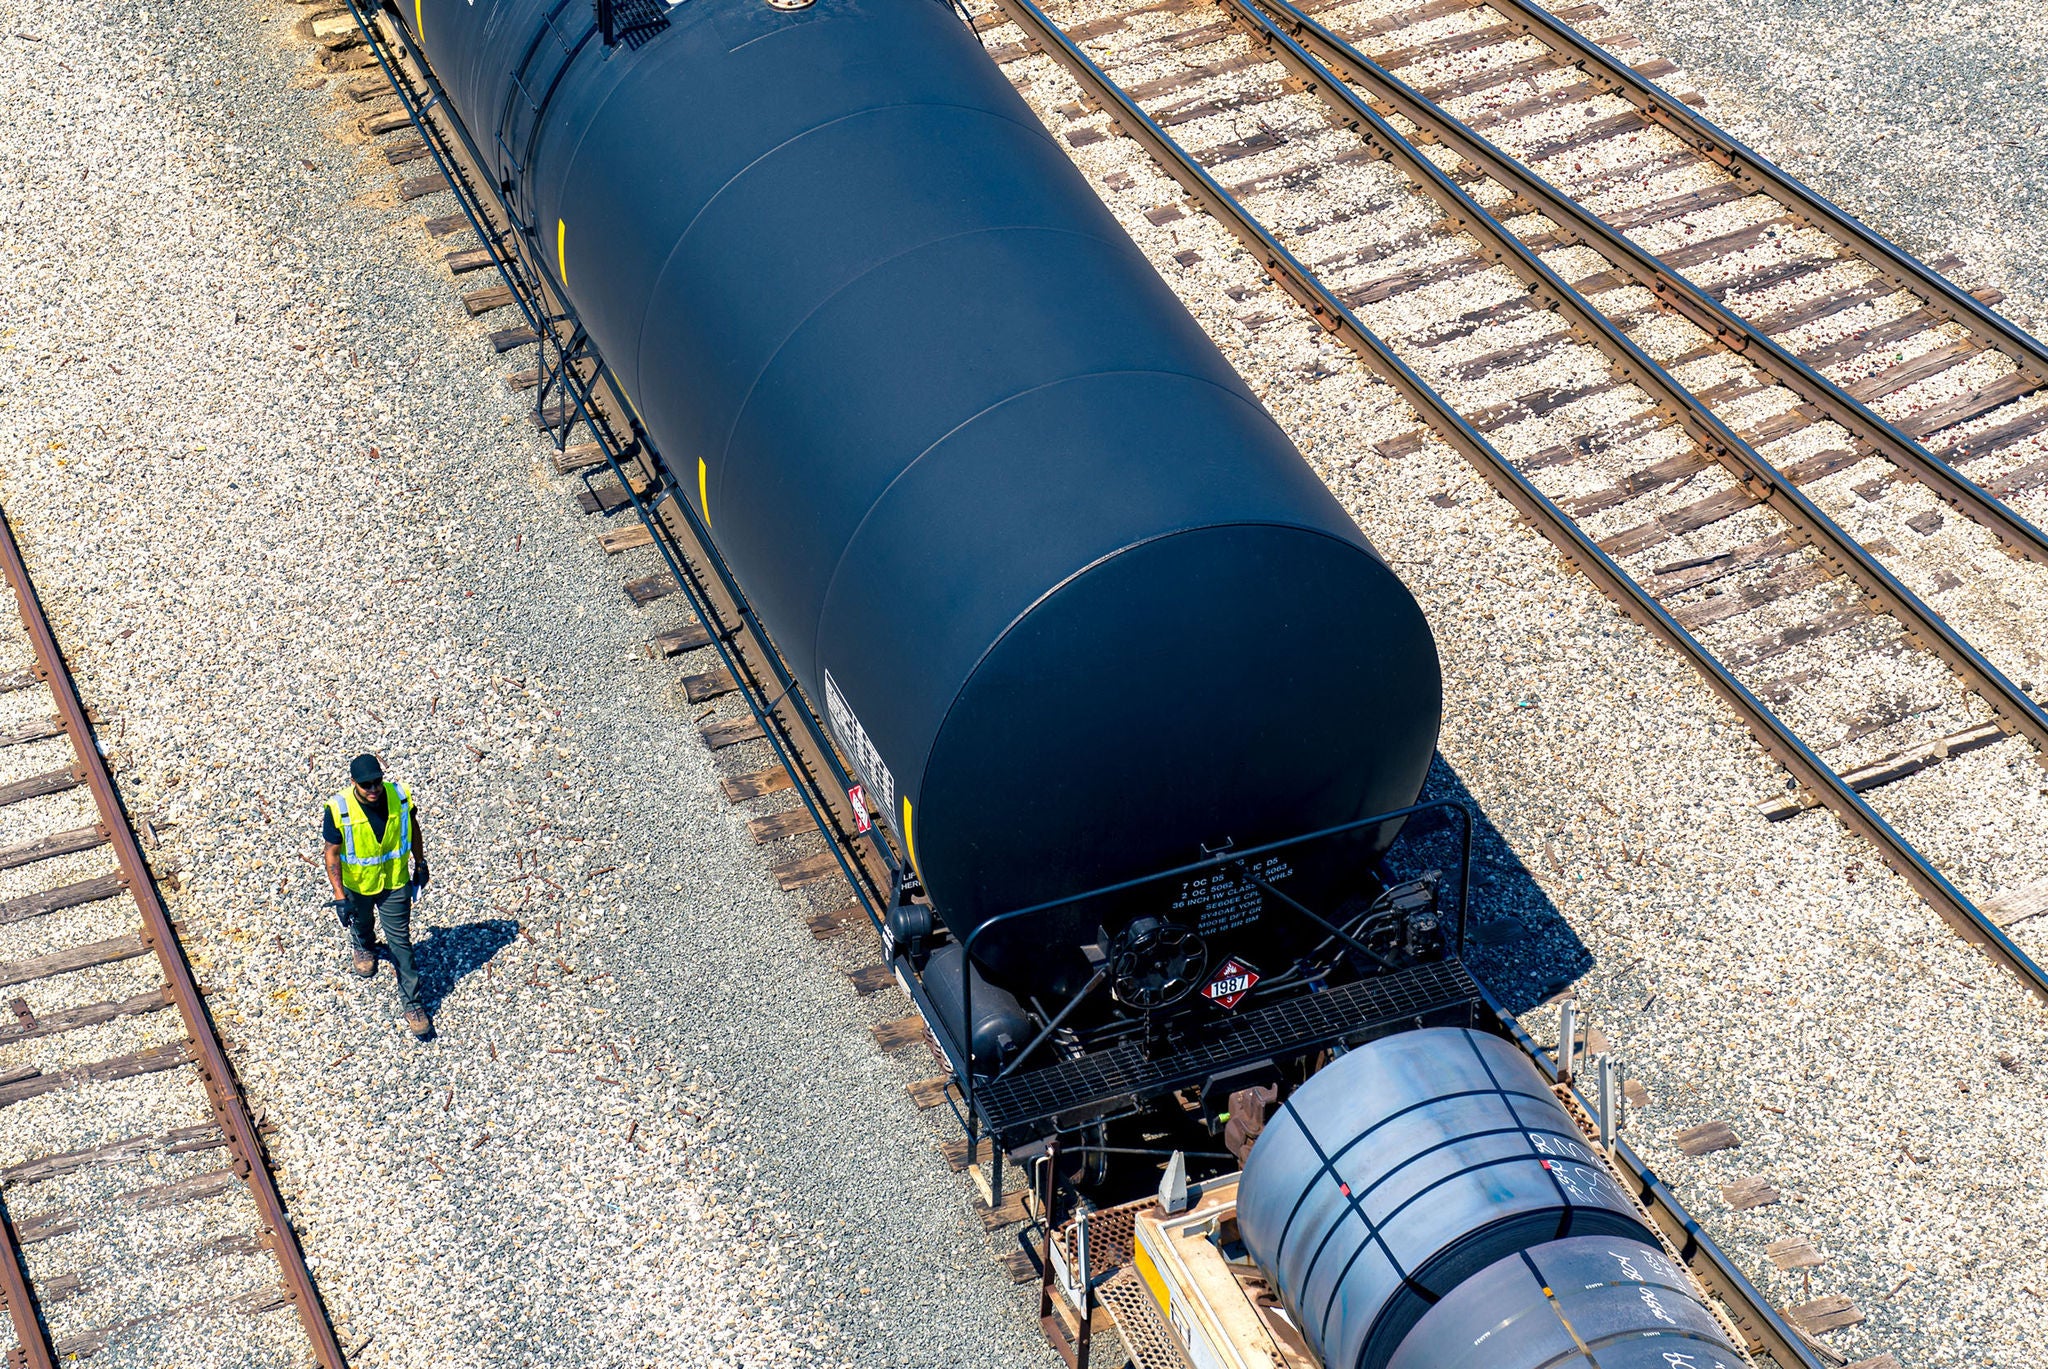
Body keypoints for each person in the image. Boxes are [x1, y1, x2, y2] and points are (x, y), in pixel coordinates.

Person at [323, 753, 433, 1039]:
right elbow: (332, 853)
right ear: (353, 783)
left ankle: (413, 1004)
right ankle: (363, 945)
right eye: (366, 785)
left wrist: (420, 864)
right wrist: (339, 896)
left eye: (376, 782)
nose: (373, 789)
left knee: (401, 944)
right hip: (357, 885)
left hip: (394, 882)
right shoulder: (338, 808)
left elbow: (413, 831)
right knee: (360, 923)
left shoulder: (400, 796)